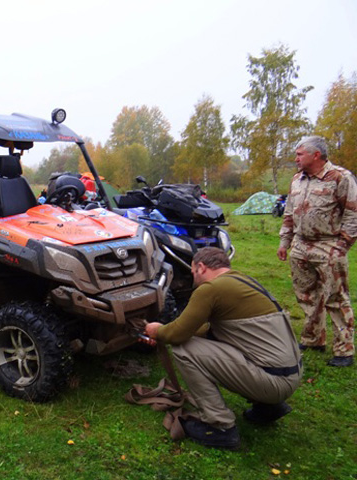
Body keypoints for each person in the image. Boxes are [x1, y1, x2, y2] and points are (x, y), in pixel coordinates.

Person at [145, 247, 302, 449]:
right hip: (289, 375)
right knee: (214, 344)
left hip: (273, 382)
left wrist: (157, 331)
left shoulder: (210, 289)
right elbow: (211, 330)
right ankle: (268, 408)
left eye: (193, 272)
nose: (193, 277)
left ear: (201, 267)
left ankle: (219, 427)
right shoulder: (243, 281)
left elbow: (178, 334)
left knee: (184, 349)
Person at [277, 136, 357, 368]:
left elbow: (353, 213)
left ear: (316, 155)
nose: (296, 158)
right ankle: (313, 338)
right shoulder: (297, 180)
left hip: (328, 245)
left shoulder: (340, 178)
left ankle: (344, 349)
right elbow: (289, 213)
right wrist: (285, 242)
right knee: (307, 296)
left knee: (336, 297)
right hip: (301, 246)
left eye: (300, 154)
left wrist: (342, 245)